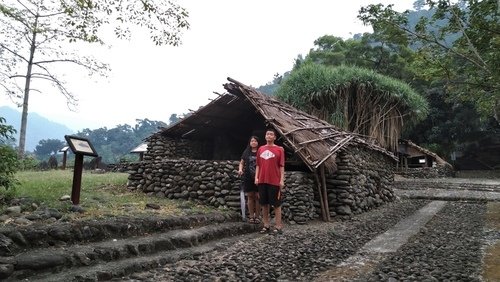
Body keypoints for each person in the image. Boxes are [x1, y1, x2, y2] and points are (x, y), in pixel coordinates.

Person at [255, 128, 285, 234]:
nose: (269, 136)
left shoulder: (279, 150)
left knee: (276, 204)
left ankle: (278, 226)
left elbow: (281, 166)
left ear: (275, 137)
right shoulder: (260, 149)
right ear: (265, 136)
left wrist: (281, 180)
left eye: (271, 134)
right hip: (262, 180)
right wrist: (256, 177)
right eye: (267, 134)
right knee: (264, 204)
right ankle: (266, 225)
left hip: (274, 180)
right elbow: (258, 165)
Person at [238, 136, 261, 224]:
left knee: (258, 197)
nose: (253, 142)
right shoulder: (246, 151)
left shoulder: (260, 151)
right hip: (248, 177)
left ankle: (258, 216)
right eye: (252, 141)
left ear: (258, 142)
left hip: (259, 177)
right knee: (250, 196)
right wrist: (240, 169)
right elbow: (242, 162)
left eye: (255, 141)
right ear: (249, 142)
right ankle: (251, 216)